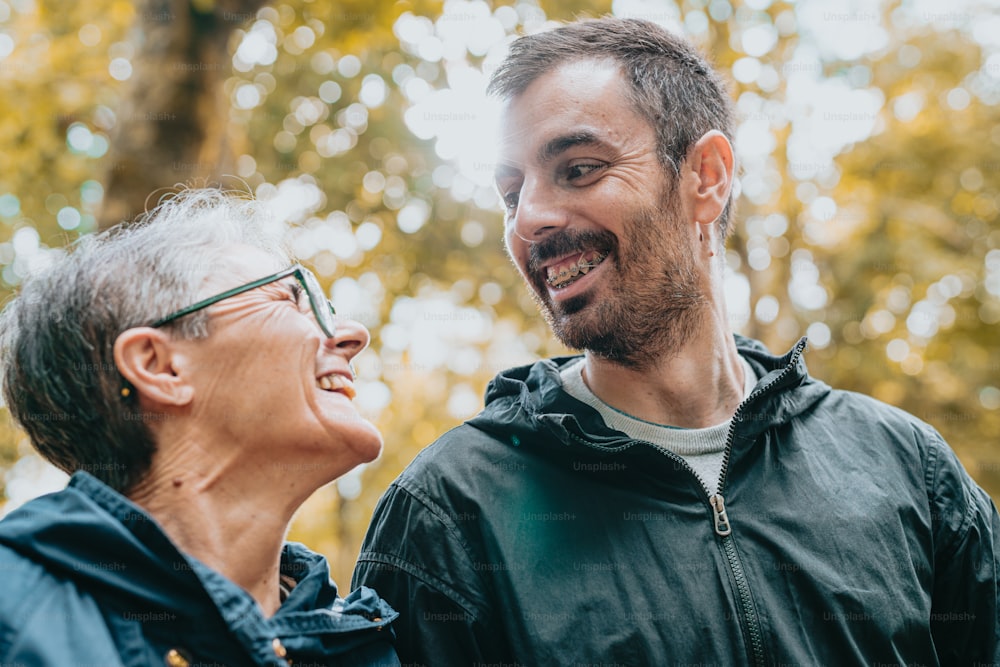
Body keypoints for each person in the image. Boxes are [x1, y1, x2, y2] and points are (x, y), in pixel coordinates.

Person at [353, 17, 1000, 666]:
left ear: (707, 177)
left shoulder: (908, 468)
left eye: (578, 169)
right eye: (511, 193)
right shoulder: (448, 513)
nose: (529, 219)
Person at [0, 188, 399, 666]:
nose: (353, 334)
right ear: (160, 366)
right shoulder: (15, 615)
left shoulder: (363, 645)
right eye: (295, 298)